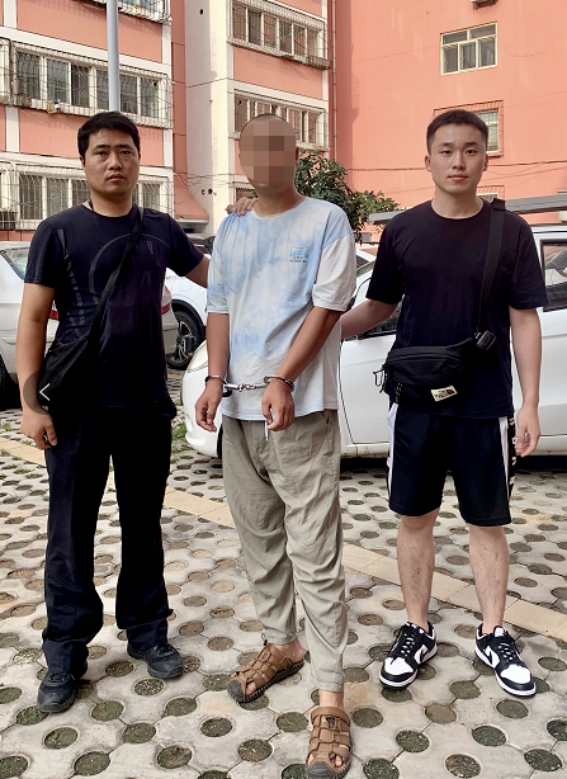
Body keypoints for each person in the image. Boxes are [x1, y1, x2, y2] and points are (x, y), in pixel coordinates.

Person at [340, 109, 547, 698]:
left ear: (485, 157)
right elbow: (378, 306)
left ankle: (493, 631)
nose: (459, 161)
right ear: (427, 158)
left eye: (471, 150)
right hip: (415, 403)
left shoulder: (511, 232)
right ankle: (416, 627)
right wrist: (320, 334)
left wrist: (529, 403)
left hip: (486, 404)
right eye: (448, 150)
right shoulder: (403, 230)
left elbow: (524, 318)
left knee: (488, 521)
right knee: (414, 518)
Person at [16, 112, 208, 713]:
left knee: (143, 524)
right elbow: (32, 318)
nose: (114, 162)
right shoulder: (58, 231)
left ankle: (148, 630)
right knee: (69, 531)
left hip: (146, 405)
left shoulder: (160, 229)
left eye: (125, 150)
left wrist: (254, 232)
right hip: (75, 409)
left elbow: (219, 280)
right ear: (84, 162)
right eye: (101, 151)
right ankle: (66, 650)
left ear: (139, 160)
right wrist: (30, 404)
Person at [195, 113, 356, 778]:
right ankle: (282, 644)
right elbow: (220, 306)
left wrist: (284, 377)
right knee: (258, 541)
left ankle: (331, 697)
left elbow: (327, 307)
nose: (263, 159)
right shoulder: (233, 226)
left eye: (276, 147)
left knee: (315, 553)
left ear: (296, 155)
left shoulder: (326, 221)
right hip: (238, 412)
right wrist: (213, 378)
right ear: (241, 157)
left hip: (298, 411)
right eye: (252, 149)